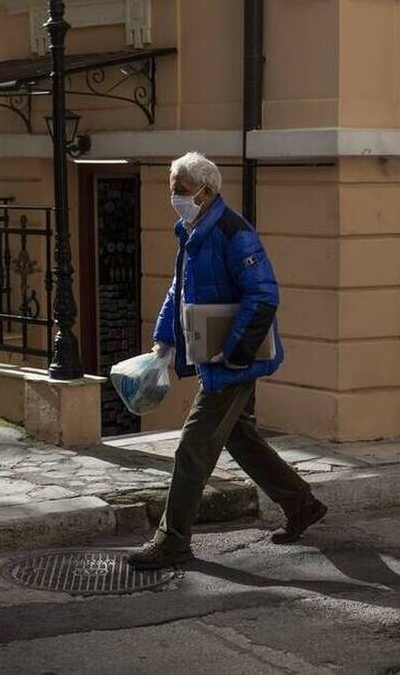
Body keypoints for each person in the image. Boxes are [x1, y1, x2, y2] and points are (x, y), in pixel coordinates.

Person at [128, 152, 328, 570]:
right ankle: (302, 505)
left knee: (191, 448)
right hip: (216, 356)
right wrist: (162, 342)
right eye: (172, 190)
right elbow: (177, 291)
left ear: (206, 191)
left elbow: (265, 295)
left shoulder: (234, 232)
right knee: (240, 438)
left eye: (180, 191)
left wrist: (235, 352)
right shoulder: (192, 230)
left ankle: (172, 541)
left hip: (231, 361)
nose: (174, 197)